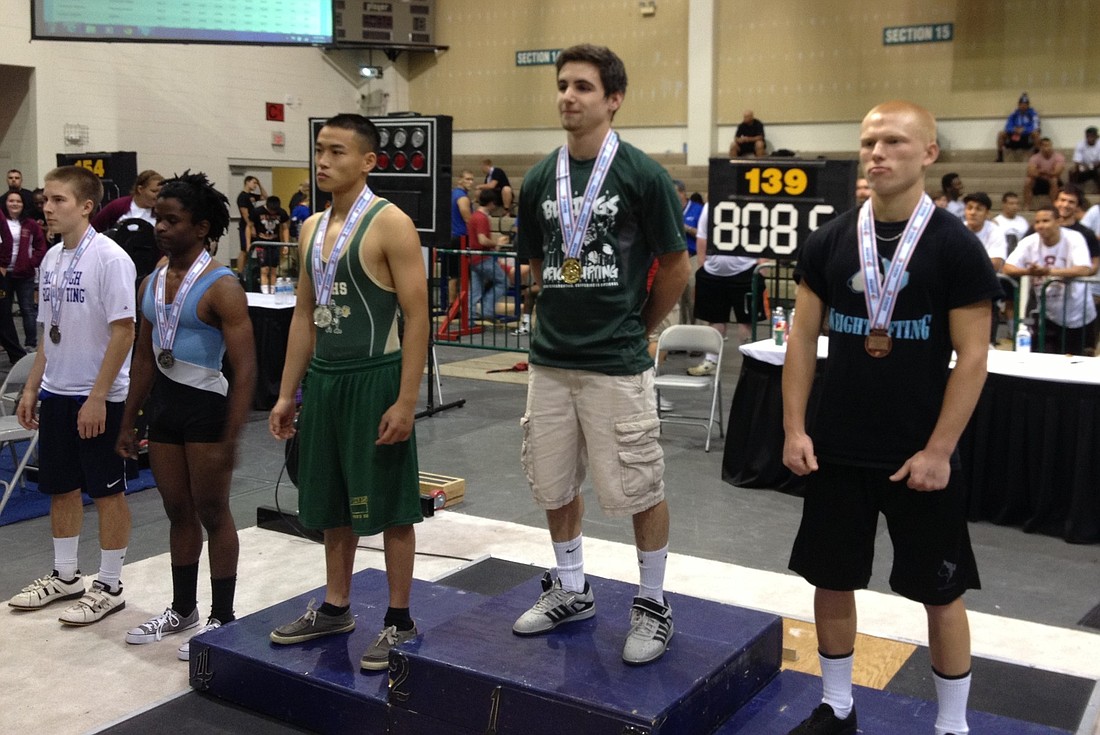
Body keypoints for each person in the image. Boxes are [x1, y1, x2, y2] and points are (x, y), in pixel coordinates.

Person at [782, 101, 1000, 735]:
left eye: (895, 142)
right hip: (837, 449)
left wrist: (939, 451)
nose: (877, 153)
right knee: (831, 579)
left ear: (929, 154)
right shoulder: (831, 239)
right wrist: (795, 428)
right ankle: (838, 705)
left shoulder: (955, 248)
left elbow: (974, 356)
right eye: (869, 141)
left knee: (941, 593)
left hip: (918, 457)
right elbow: (801, 338)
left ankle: (952, 725)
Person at [512, 44, 690, 666]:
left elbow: (676, 265)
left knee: (640, 486)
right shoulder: (537, 179)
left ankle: (652, 603)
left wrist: (640, 326)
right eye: (563, 85)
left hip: (615, 364)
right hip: (550, 363)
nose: (568, 96)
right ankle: (570, 587)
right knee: (553, 482)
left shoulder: (642, 175)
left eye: (583, 87)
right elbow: (536, 266)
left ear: (612, 99)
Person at [267, 113, 429, 673]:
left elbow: (417, 317)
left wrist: (406, 402)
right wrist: (288, 393)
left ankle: (400, 619)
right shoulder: (310, 227)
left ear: (367, 161)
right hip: (327, 383)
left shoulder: (392, 224)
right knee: (331, 502)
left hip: (375, 378)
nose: (323, 161)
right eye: (319, 150)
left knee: (390, 505)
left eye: (337, 151)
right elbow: (304, 317)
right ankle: (336, 607)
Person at [116, 171, 256, 660]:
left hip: (207, 413)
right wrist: (130, 418)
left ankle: (222, 615)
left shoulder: (221, 287)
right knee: (177, 512)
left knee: (212, 512)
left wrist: (232, 437)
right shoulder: (151, 282)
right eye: (158, 217)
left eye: (172, 220)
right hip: (166, 412)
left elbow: (245, 370)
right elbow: (143, 356)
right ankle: (183, 608)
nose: (160, 227)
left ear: (200, 228)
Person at [8, 165, 137, 626]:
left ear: (86, 207)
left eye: (58, 200)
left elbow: (125, 332)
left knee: (107, 492)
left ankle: (110, 583)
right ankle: (65, 576)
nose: (47, 207)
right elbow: (48, 331)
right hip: (58, 392)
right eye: (46, 199)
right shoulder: (51, 259)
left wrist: (99, 397)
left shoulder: (111, 258)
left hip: (98, 395)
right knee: (60, 487)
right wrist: (32, 387)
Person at [1004, 205, 1094, 355]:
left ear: (1058, 221)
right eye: (1037, 222)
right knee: (1044, 357)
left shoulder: (1074, 238)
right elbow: (1008, 267)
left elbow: (1084, 268)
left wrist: (1049, 271)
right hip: (1046, 311)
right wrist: (1028, 271)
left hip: (1076, 310)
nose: (1040, 225)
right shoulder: (1029, 242)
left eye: (1046, 220)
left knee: (1075, 359)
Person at [686, 203, 765, 375]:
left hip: (745, 269)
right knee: (715, 318)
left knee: (745, 320)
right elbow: (702, 235)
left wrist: (762, 261)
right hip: (714, 271)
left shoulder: (751, 204)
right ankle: (711, 360)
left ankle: (748, 361)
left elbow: (763, 231)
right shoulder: (710, 206)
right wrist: (703, 265)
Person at [1, 190, 48, 352]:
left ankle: (30, 344)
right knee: (4, 310)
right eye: (11, 201)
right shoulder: (2, 222)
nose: (14, 204)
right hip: (4, 274)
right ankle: (10, 345)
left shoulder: (30, 224)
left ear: (23, 204)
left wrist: (30, 263)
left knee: (27, 309)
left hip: (25, 274)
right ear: (5, 203)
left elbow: (40, 248)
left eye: (18, 201)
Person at [467, 188, 509, 325]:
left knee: (476, 288)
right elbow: (482, 240)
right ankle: (487, 309)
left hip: (474, 258)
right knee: (503, 281)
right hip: (483, 258)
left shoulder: (474, 216)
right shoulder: (481, 218)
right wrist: (497, 243)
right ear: (491, 203)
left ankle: (471, 315)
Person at [91, 170, 164, 231]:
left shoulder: (161, 210)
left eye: (161, 192)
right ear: (140, 189)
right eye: (154, 191)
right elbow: (94, 226)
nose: (158, 195)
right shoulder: (118, 206)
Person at [247, 195, 290, 294]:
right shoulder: (257, 212)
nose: (273, 213)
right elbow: (249, 227)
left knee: (273, 269)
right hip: (261, 244)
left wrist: (286, 244)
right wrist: (249, 243)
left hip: (274, 244)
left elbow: (285, 228)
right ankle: (265, 292)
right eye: (271, 211)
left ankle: (273, 291)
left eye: (275, 211)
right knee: (264, 269)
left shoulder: (281, 212)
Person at [675, 181, 704, 326]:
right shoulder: (669, 209)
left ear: (682, 193)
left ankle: (696, 335)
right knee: (677, 300)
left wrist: (686, 228)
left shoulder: (698, 210)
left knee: (693, 298)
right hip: (675, 258)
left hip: (692, 256)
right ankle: (677, 337)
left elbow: (704, 235)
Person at [447, 170, 474, 307]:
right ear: (460, 180)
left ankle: (452, 304)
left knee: (454, 274)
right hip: (461, 238)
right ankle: (460, 305)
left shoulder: (453, 194)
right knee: (461, 274)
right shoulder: (462, 198)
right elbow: (467, 218)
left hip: (453, 236)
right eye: (468, 179)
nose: (470, 182)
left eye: (472, 179)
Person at [235, 175, 266, 275]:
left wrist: (260, 185)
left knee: (258, 248)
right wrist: (251, 227)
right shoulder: (242, 197)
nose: (255, 185)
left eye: (256, 183)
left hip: (255, 226)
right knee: (245, 250)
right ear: (247, 182)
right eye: (254, 182)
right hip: (246, 226)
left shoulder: (252, 196)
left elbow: (265, 197)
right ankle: (240, 273)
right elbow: (245, 214)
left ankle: (260, 270)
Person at [996, 93, 1041, 162]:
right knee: (1001, 134)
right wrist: (1014, 129)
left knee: (1036, 134)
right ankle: (1000, 157)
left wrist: (1024, 130)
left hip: (1026, 137)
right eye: (1021, 104)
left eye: (1025, 104)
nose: (1023, 106)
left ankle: (1037, 159)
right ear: (1018, 105)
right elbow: (1007, 126)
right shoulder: (1014, 113)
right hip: (1014, 136)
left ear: (1028, 105)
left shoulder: (1033, 114)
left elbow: (1036, 126)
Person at [1023, 137, 1065, 209]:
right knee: (1028, 181)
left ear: (1051, 145)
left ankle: (1053, 206)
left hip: (1053, 181)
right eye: (1044, 145)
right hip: (1039, 181)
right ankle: (1027, 205)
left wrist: (1041, 171)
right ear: (1040, 147)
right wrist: (1046, 173)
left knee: (1054, 180)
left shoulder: (1059, 157)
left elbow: (1057, 172)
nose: (1047, 148)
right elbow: (1030, 172)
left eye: (1048, 145)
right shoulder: (1034, 158)